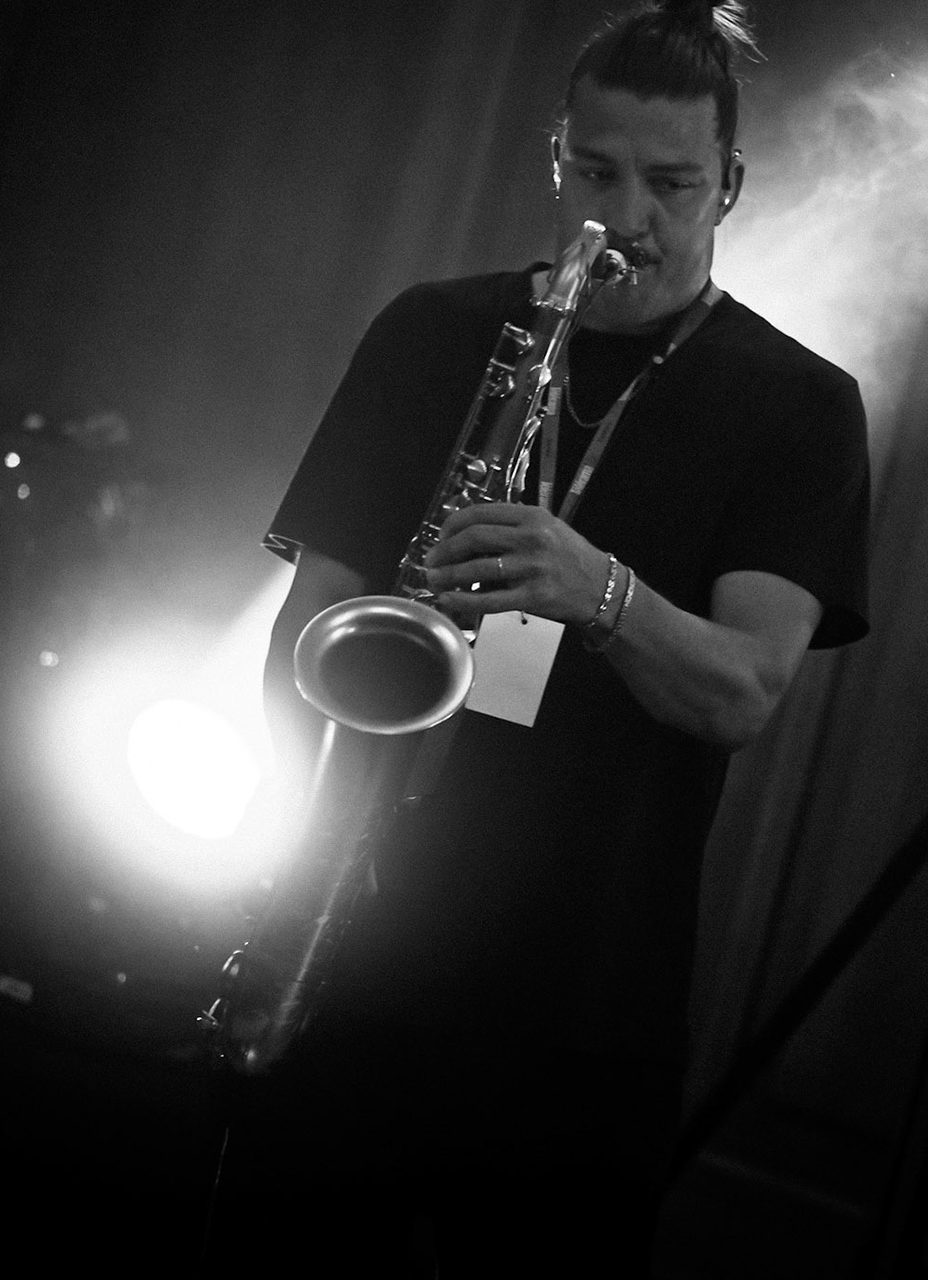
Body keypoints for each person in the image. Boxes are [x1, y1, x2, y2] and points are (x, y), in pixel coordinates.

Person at [215, 2, 869, 1274]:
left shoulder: (801, 405)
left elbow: (744, 690)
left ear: (731, 186)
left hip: (582, 1010)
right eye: (597, 172)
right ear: (554, 157)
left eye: (671, 184)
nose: (625, 219)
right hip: (350, 946)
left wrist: (598, 589)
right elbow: (306, 637)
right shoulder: (431, 332)